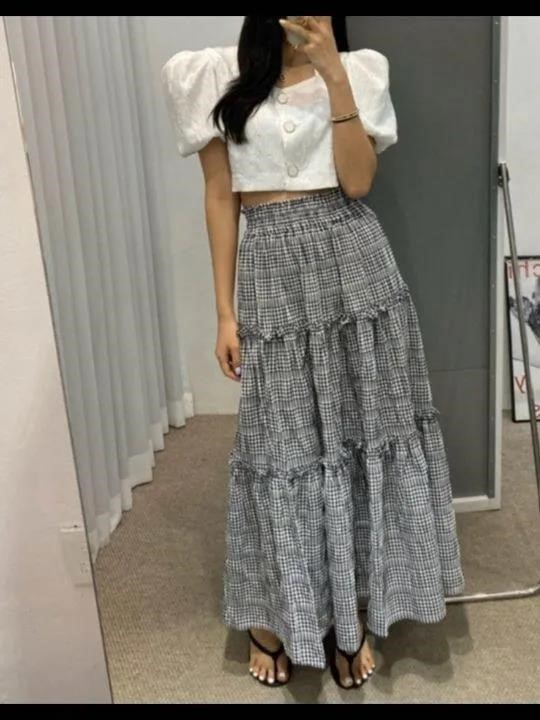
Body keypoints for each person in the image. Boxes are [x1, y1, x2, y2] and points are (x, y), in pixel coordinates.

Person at [162, 15, 465, 691]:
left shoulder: (360, 71)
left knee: (360, 438)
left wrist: (333, 73)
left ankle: (351, 612)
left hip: (354, 265)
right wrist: (224, 313)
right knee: (282, 449)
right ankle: (274, 616)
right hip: (270, 267)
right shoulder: (212, 76)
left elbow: (358, 183)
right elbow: (220, 196)